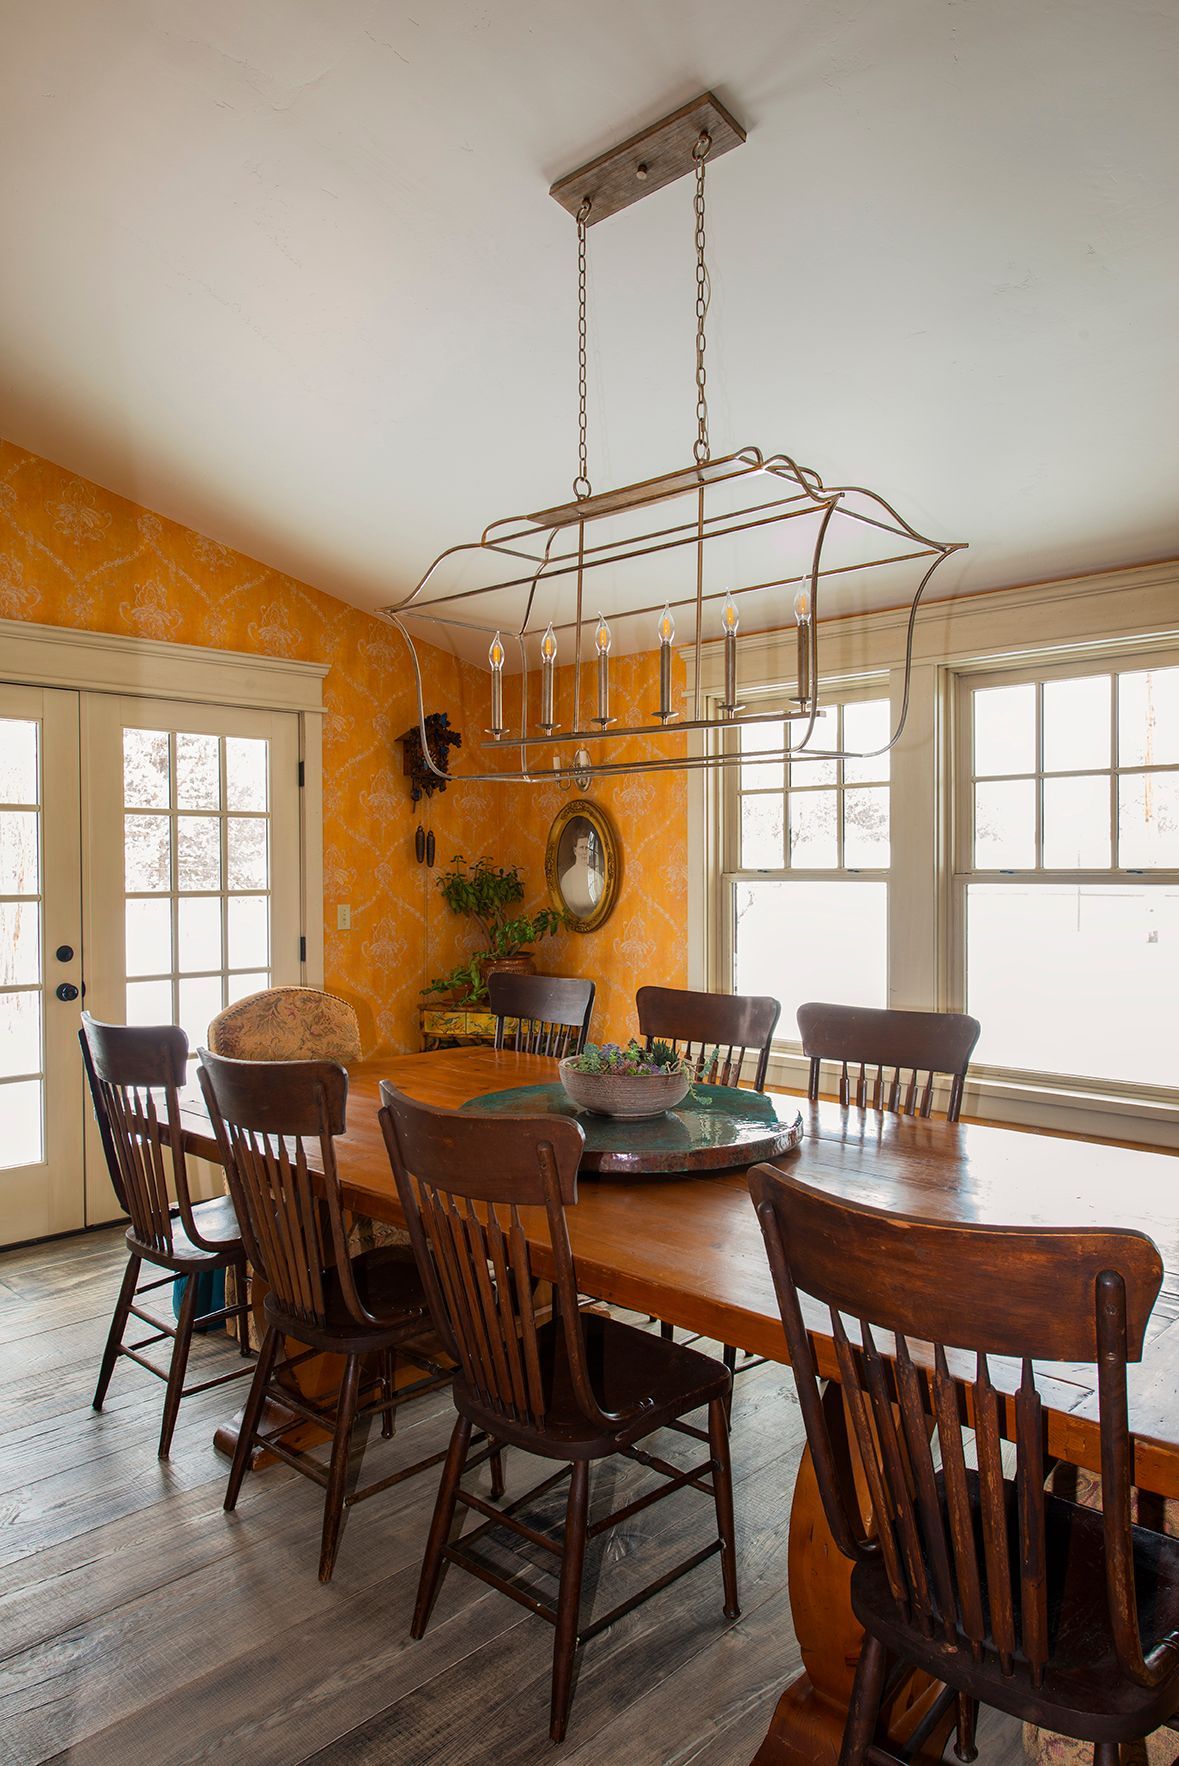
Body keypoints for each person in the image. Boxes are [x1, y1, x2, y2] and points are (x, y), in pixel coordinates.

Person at [560, 828, 601, 917]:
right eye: (582, 848)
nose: (585, 852)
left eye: (587, 848)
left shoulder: (597, 877)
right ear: (575, 850)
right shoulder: (567, 878)